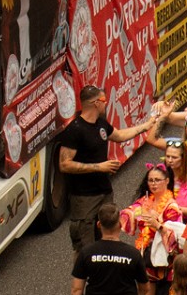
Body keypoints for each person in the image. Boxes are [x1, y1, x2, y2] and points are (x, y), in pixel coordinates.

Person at [58, 87, 171, 254]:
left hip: (104, 192)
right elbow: (64, 164)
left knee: (108, 238)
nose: (106, 104)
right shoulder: (75, 130)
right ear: (95, 103)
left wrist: (147, 125)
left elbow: (119, 136)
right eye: (104, 101)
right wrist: (99, 167)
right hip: (84, 198)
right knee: (85, 247)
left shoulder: (100, 124)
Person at [72, 204, 150, 295]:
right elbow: (145, 287)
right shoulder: (132, 254)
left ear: (98, 225)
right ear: (120, 224)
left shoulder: (87, 253)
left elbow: (77, 289)